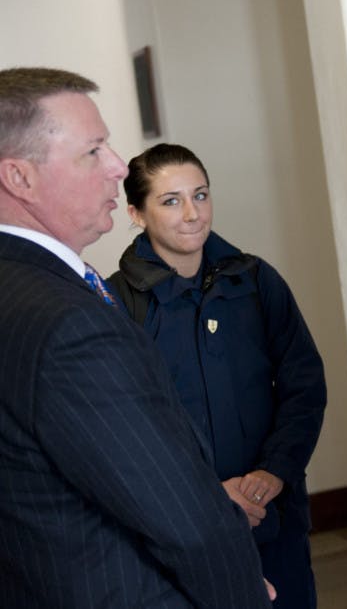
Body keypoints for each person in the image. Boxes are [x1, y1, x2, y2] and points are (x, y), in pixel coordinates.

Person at [0, 67, 273, 607]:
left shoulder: (30, 287)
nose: (119, 167)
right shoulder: (65, 323)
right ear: (20, 178)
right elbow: (184, 521)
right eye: (93, 151)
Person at [108, 142, 327, 609]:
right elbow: (121, 432)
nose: (193, 213)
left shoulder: (256, 280)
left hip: (273, 513)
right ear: (136, 213)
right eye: (171, 201)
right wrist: (208, 495)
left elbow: (304, 385)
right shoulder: (115, 306)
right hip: (181, 531)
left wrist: (275, 470)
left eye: (201, 195)